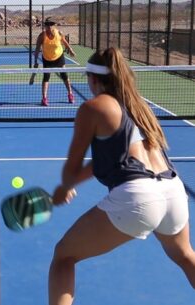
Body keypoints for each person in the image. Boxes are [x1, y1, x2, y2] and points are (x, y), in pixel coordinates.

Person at [50, 47, 195, 305]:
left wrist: (65, 186)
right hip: (174, 191)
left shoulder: (93, 107)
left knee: (63, 256)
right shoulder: (138, 105)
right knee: (185, 256)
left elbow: (71, 169)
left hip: (137, 198)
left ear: (93, 79)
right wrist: (72, 183)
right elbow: (107, 161)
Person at [34, 17, 76, 106]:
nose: (49, 26)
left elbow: (65, 42)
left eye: (51, 24)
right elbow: (37, 49)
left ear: (54, 25)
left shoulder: (59, 33)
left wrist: (71, 50)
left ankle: (70, 94)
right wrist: (35, 61)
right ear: (45, 26)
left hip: (59, 57)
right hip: (47, 59)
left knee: (64, 75)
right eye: (47, 24)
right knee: (46, 78)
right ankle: (44, 98)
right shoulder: (42, 36)